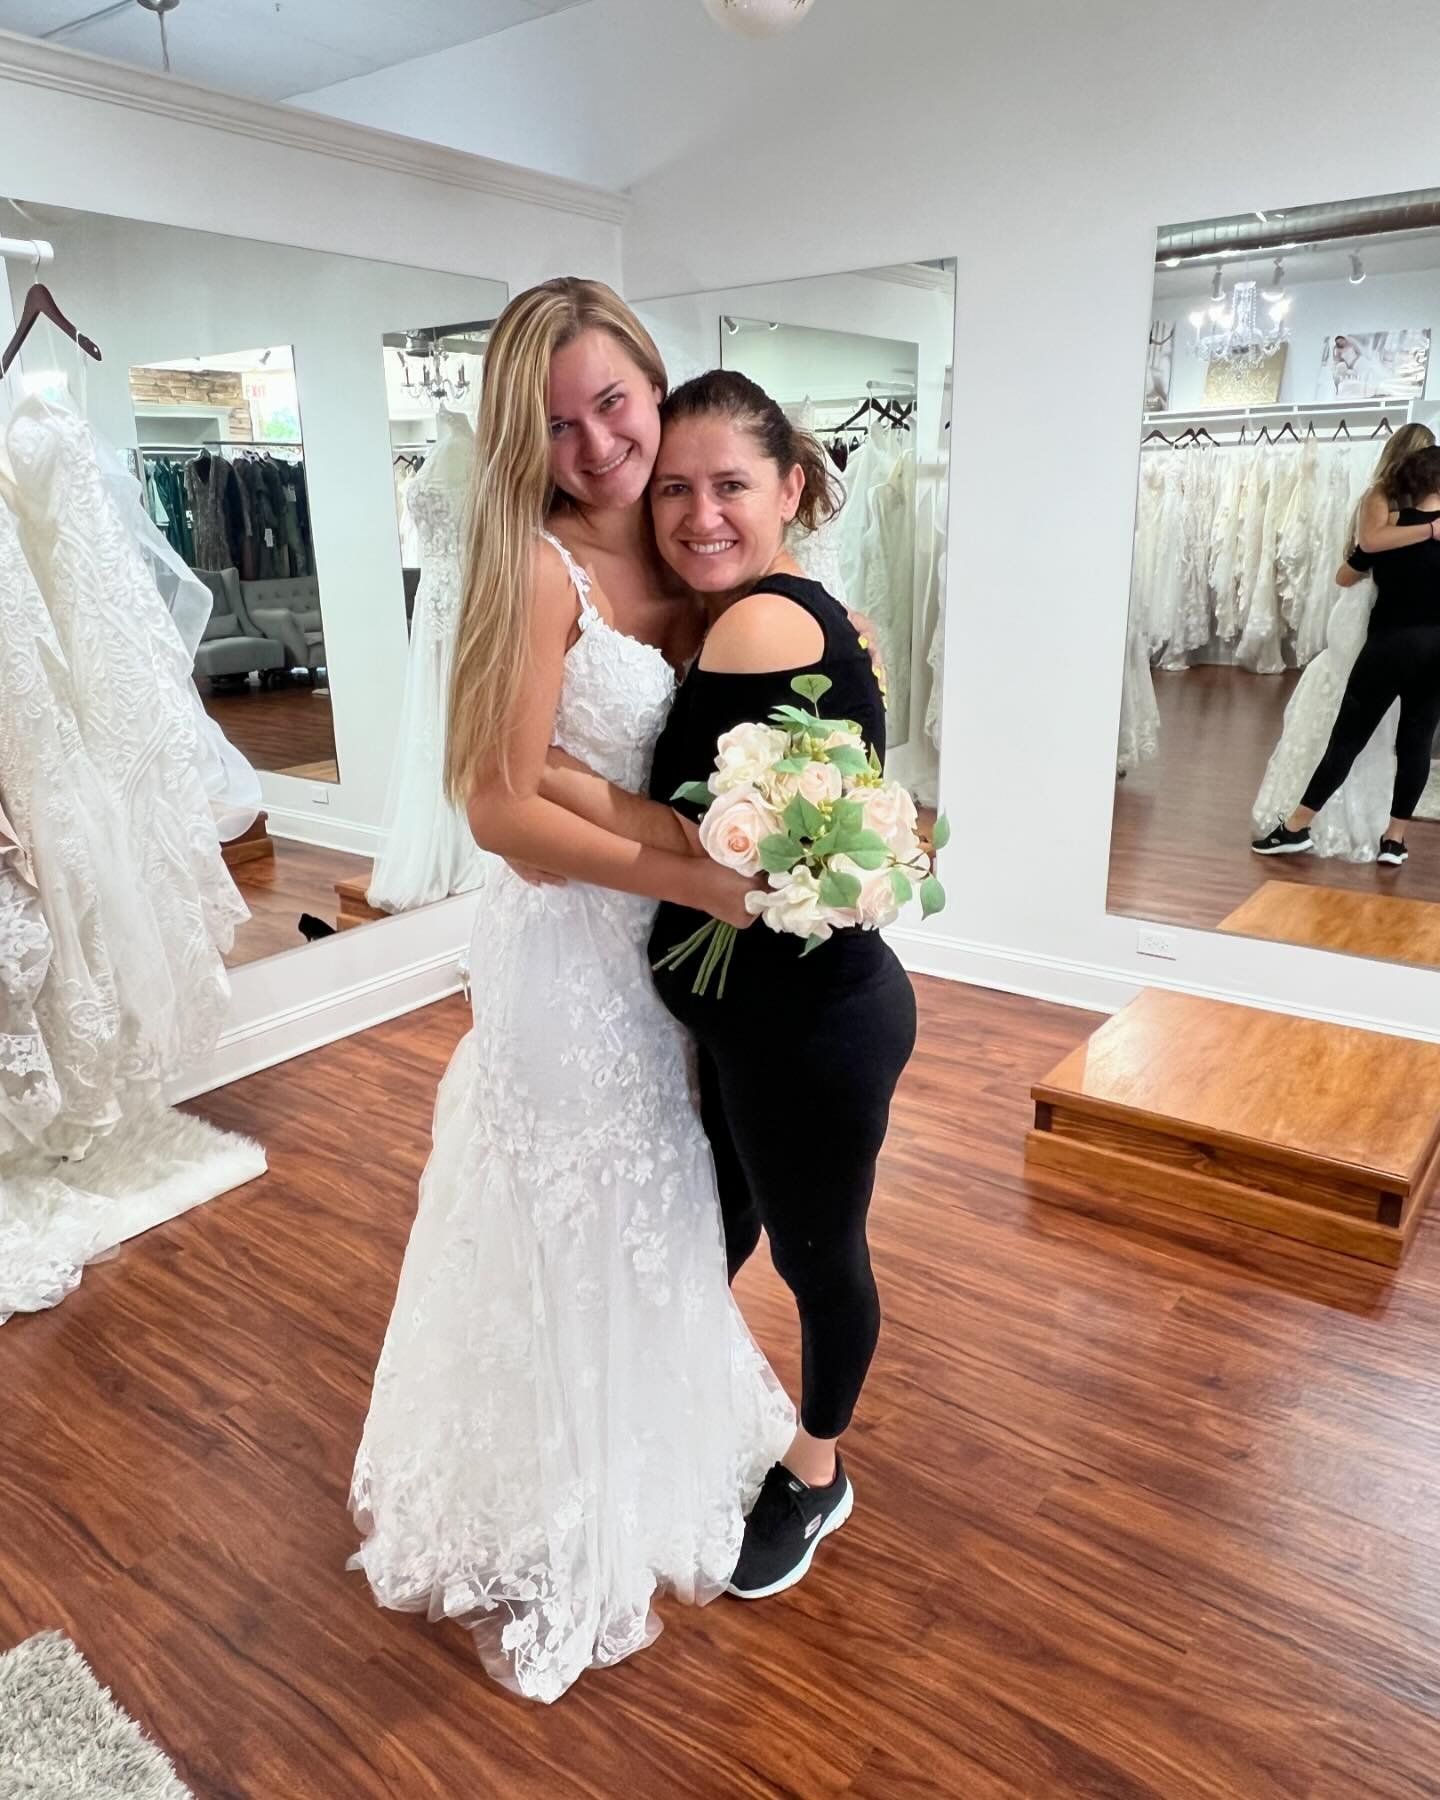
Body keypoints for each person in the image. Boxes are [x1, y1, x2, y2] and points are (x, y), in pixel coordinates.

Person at [348, 279, 795, 1706]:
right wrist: (692, 874)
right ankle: (555, 1501)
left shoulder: (692, 540)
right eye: (558, 424)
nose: (598, 443)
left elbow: (635, 765)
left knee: (660, 1201)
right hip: (565, 964)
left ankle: (649, 1445)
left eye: (614, 401)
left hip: (664, 959)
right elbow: (494, 806)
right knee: (565, 1213)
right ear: (518, 442)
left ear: (654, 382)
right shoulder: (537, 569)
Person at [541, 370, 917, 1600]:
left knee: (818, 1254)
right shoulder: (779, 613)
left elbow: (700, 837)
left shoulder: (762, 623)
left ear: (792, 489)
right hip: (760, 1017)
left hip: (813, 1023)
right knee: (733, 1220)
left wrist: (542, 774)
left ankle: (817, 1474)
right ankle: (680, 1403)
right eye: (675, 490)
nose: (699, 514)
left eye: (733, 486)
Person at [1253, 436, 1440, 866]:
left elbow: (1353, 567)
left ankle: (1296, 827)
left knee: (1347, 738)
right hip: (1436, 646)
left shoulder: (1392, 531)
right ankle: (1394, 840)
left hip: (1392, 643)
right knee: (1415, 741)